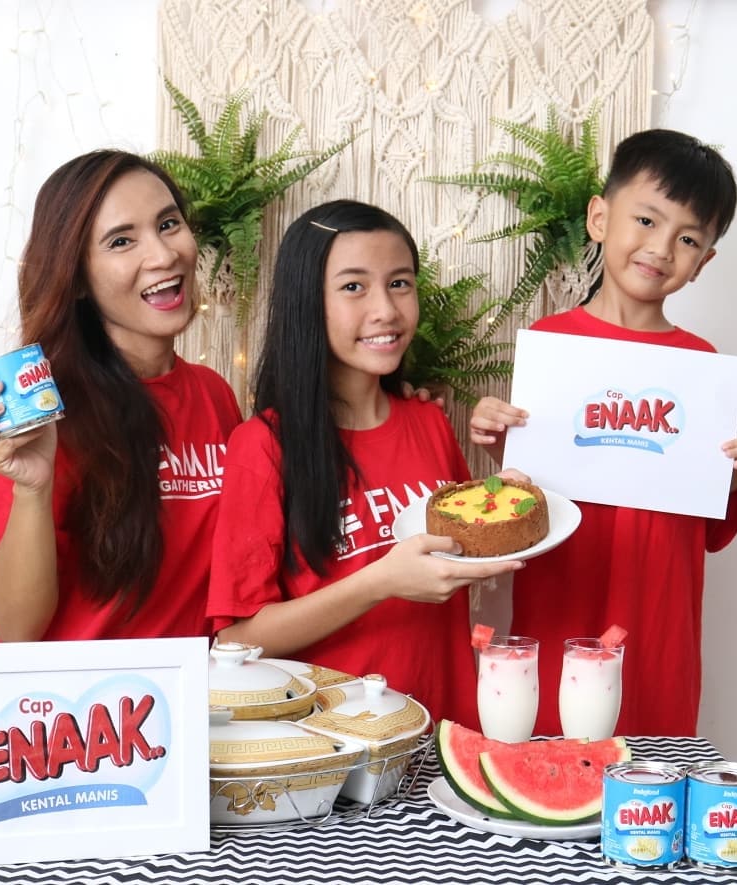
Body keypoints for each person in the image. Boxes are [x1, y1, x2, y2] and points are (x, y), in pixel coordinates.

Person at [470, 129, 737, 737]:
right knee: (549, 756)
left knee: (651, 766)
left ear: (703, 262)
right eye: (646, 220)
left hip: (658, 618)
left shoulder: (702, 366)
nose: (661, 248)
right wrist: (497, 438)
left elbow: (703, 518)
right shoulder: (550, 346)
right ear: (599, 218)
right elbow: (523, 501)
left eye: (688, 238)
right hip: (562, 602)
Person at [205, 199, 525, 727]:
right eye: (354, 286)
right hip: (334, 746)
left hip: (443, 729)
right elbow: (237, 640)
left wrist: (512, 483)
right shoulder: (261, 445)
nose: (386, 310)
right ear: (307, 303)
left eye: (399, 283)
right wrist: (380, 581)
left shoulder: (429, 421)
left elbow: (469, 554)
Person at [0, 149, 242, 643]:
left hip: (176, 688)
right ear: (77, 279)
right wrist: (32, 488)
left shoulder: (214, 394)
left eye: (168, 224)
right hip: (67, 691)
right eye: (121, 241)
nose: (163, 255)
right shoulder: (42, 407)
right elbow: (17, 630)